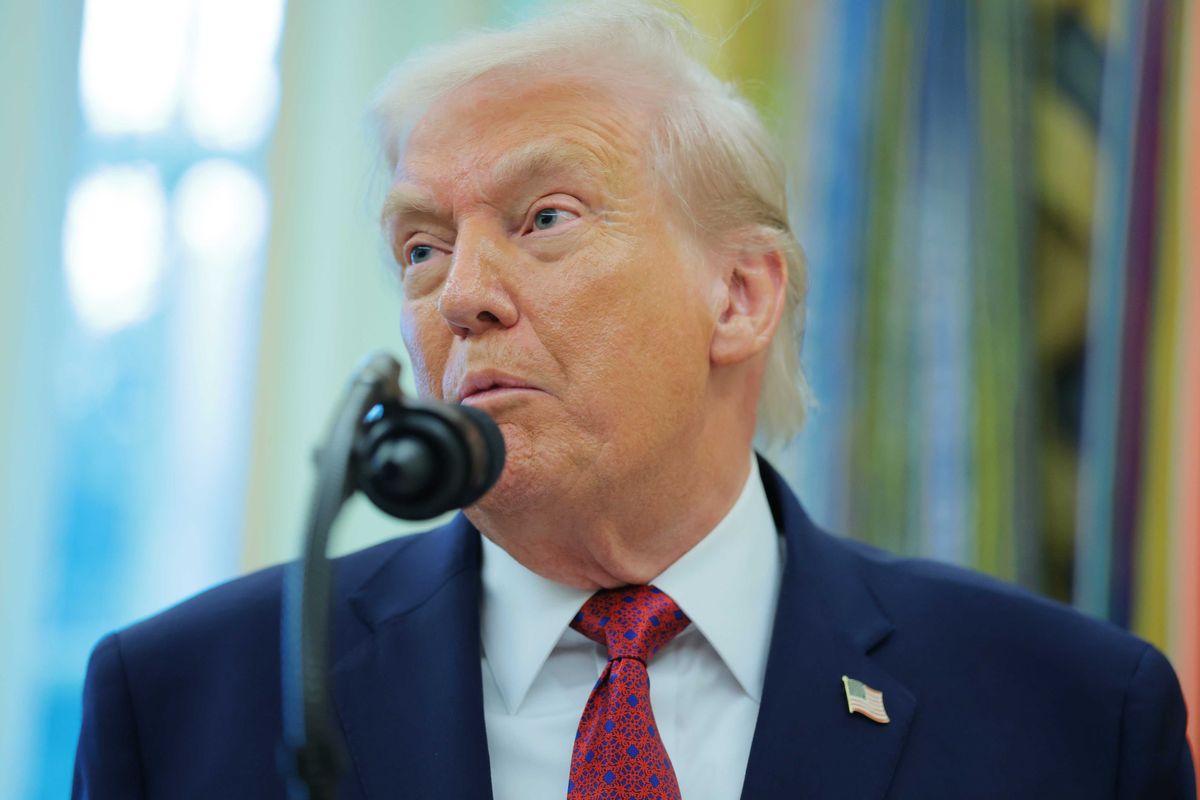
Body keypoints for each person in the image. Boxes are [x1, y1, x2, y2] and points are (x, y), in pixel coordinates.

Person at [73, 2, 1194, 798]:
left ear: (740, 296)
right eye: (420, 246)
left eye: (545, 218)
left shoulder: (1072, 715)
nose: (458, 295)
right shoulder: (185, 701)